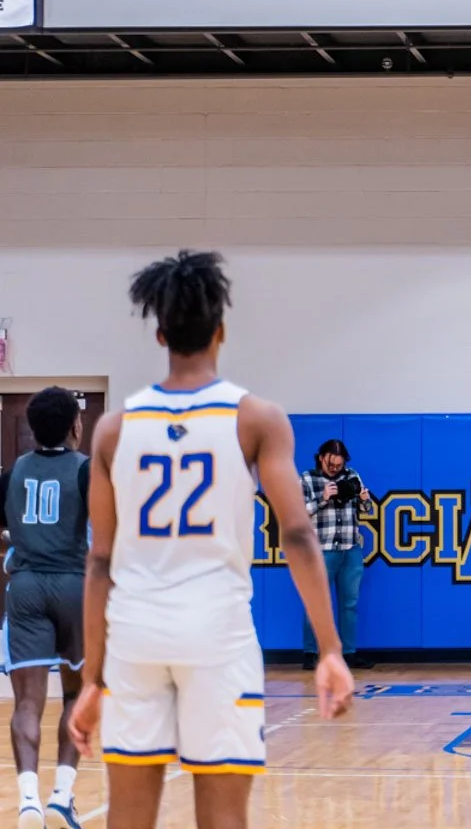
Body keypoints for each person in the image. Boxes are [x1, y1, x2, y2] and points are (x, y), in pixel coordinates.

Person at [66, 250, 353, 829]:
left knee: (128, 818)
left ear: (160, 334)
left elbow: (100, 563)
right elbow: (297, 533)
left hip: (136, 633)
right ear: (221, 331)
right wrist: (329, 649)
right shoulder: (257, 419)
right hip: (217, 633)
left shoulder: (114, 428)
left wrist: (91, 677)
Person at [2, 387, 91, 829]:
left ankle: (28, 802)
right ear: (76, 425)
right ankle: (62, 795)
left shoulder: (12, 473)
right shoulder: (86, 470)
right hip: (75, 586)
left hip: (27, 587)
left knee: (27, 703)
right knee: (76, 692)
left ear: (32, 429)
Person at [298, 439, 376, 668]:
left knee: (349, 604)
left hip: (350, 547)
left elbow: (367, 509)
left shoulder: (352, 476)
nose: (335, 470)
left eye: (339, 466)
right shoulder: (307, 479)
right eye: (331, 465)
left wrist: (364, 499)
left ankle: (349, 653)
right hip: (321, 549)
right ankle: (310, 653)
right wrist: (323, 498)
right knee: (315, 603)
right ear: (321, 457)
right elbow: (299, 511)